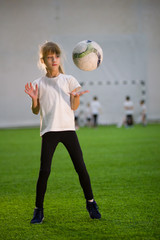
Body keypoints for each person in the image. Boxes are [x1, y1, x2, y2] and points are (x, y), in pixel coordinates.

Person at [24, 41, 101, 224]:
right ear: (43, 60)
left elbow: (74, 107)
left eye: (56, 56)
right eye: (50, 57)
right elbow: (36, 111)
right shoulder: (38, 83)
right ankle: (38, 210)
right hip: (49, 131)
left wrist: (74, 98)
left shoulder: (69, 80)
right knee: (44, 171)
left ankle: (91, 203)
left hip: (68, 130)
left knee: (80, 167)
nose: (54, 59)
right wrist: (34, 100)